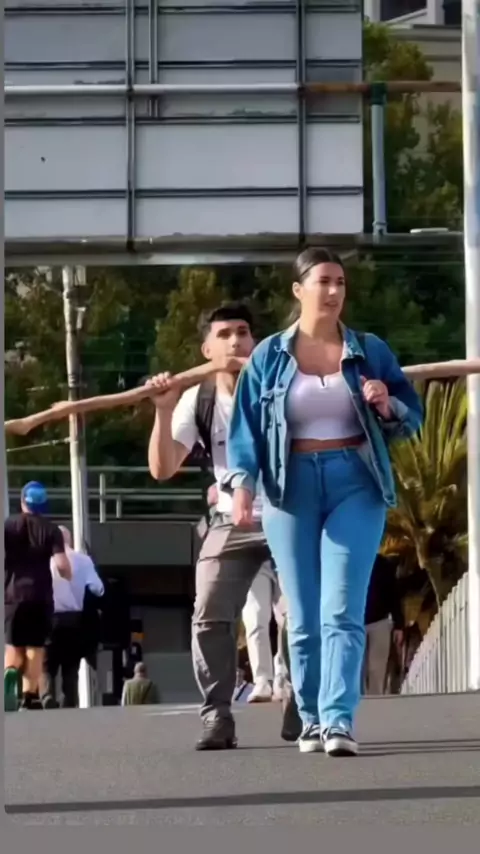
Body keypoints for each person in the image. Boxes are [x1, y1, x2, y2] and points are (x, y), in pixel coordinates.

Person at [224, 247, 423, 757]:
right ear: (299, 290)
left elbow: (411, 416)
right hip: (289, 487)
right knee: (304, 614)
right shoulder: (268, 356)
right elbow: (246, 429)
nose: (333, 291)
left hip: (356, 481)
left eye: (340, 282)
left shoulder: (369, 350)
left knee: (342, 607)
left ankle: (338, 720)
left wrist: (387, 404)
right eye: (323, 282)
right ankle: (310, 718)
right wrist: (243, 485)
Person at [147, 303, 292, 750]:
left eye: (244, 332)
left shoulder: (281, 384)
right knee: (208, 612)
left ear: (256, 342)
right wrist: (163, 410)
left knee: (298, 614)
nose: (236, 341)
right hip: (230, 520)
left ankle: (299, 698)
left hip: (289, 513)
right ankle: (217, 716)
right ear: (207, 349)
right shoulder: (199, 398)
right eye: (224, 334)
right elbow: (163, 468)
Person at [207, 482, 286, 703]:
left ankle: (283, 675)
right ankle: (262, 679)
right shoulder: (238, 465)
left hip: (281, 536)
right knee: (255, 616)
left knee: (288, 617)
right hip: (250, 540)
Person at [4, 482, 72, 711]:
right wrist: (68, 575)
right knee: (35, 648)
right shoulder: (51, 530)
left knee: (14, 646)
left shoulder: (8, 526)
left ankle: (10, 671)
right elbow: (62, 565)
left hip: (12, 595)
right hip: (40, 596)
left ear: (23, 500)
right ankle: (28, 697)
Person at [42, 525, 104, 709]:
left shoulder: (45, 559)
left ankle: (46, 694)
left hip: (50, 617)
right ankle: (69, 702)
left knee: (46, 663)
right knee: (70, 665)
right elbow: (98, 589)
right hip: (74, 619)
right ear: (69, 540)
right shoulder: (83, 560)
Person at [364, 554, 404, 695]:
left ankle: (375, 702)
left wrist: (399, 625)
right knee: (356, 670)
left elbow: (394, 594)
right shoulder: (349, 560)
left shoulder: (383, 564)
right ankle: (358, 703)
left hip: (380, 622)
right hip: (354, 623)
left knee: (377, 668)